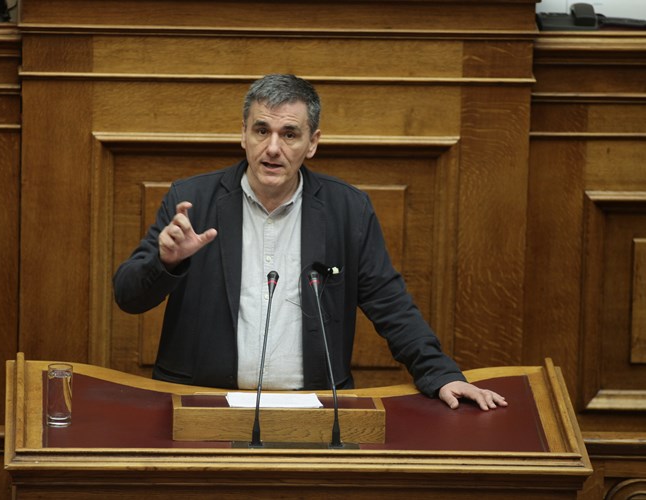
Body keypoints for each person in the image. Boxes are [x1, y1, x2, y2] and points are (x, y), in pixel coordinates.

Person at [113, 74, 507, 411]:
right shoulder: (192, 201)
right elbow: (128, 296)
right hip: (203, 403)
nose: (273, 148)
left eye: (289, 134)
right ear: (243, 135)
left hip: (313, 408)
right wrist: (165, 264)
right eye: (261, 131)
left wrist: (440, 374)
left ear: (312, 143)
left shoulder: (346, 210)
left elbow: (390, 304)